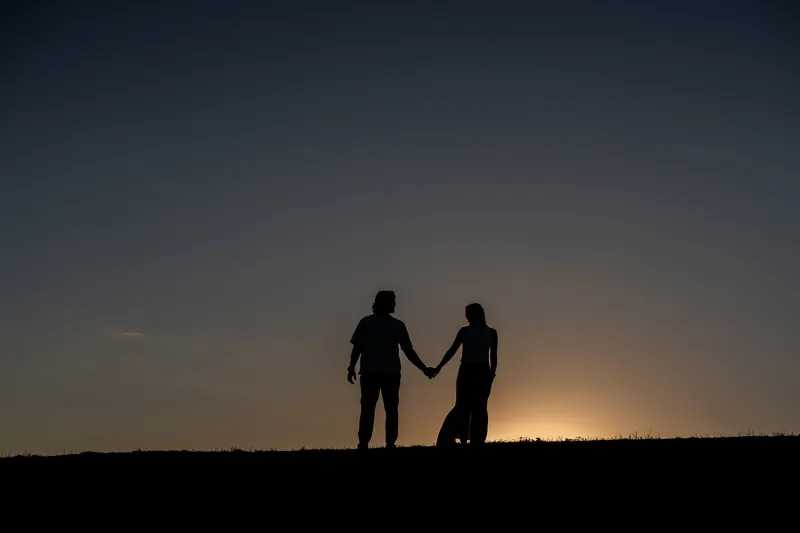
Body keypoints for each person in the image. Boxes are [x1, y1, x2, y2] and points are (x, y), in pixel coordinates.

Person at [347, 290, 435, 450]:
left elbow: (407, 351)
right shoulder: (383, 324)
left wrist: (423, 368)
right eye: (392, 301)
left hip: (383, 373)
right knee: (379, 408)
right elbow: (358, 347)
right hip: (379, 373)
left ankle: (379, 443)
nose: (394, 304)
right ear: (383, 303)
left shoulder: (390, 325)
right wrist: (351, 366)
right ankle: (371, 443)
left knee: (379, 408)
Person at [431, 303, 498, 447]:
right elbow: (452, 350)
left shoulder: (491, 333)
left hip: (482, 371)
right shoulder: (464, 332)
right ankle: (455, 437)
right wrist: (439, 366)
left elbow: (493, 356)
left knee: (480, 407)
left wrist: (491, 374)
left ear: (477, 314)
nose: (466, 316)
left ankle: (477, 439)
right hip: (466, 370)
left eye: (469, 313)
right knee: (462, 406)